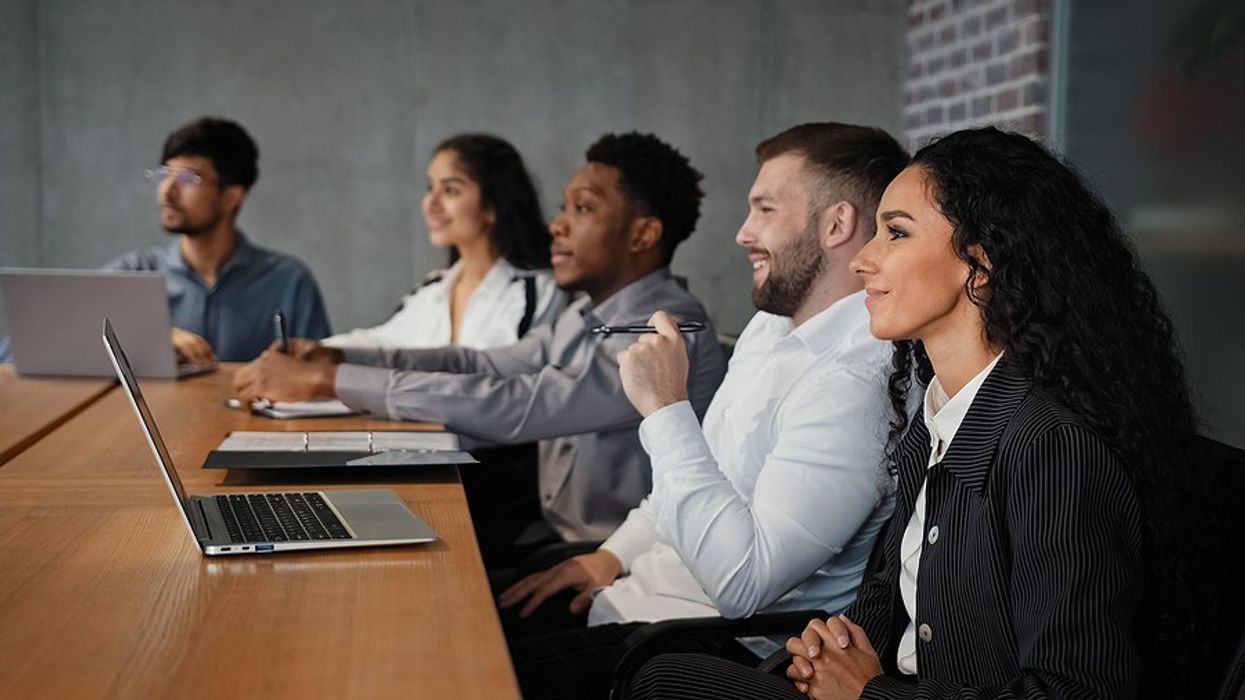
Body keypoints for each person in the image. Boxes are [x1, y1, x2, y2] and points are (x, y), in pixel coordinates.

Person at [625, 127, 1200, 700]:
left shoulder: (1050, 444)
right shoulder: (935, 415)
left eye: (895, 233)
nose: (863, 261)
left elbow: (1078, 693)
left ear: (981, 262)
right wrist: (831, 650)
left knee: (661, 680)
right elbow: (889, 603)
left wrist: (867, 693)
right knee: (664, 677)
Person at [497, 123, 910, 700]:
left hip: (695, 646)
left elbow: (744, 585)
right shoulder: (771, 326)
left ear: (836, 224)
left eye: (765, 209)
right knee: (452, 614)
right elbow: (688, 483)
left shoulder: (856, 383)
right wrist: (609, 557)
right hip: (634, 597)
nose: (743, 233)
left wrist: (665, 409)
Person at [232, 132, 728, 553]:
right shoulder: (587, 312)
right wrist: (339, 358)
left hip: (616, 558)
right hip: (556, 537)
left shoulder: (664, 328)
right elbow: (480, 363)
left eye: (583, 209)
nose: (558, 224)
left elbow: (523, 405)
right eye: (563, 207)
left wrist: (329, 380)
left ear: (643, 234)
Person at [104, 116, 330, 363]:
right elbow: (70, 337)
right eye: (164, 175)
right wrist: (153, 338)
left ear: (231, 197)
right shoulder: (132, 273)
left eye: (187, 178)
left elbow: (315, 374)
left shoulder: (289, 282)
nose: (167, 191)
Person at [320, 134, 565, 351]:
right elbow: (381, 343)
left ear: (493, 206)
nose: (431, 203)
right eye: (430, 187)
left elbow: (496, 379)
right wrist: (315, 350)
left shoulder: (538, 291)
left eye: (450, 191)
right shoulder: (432, 290)